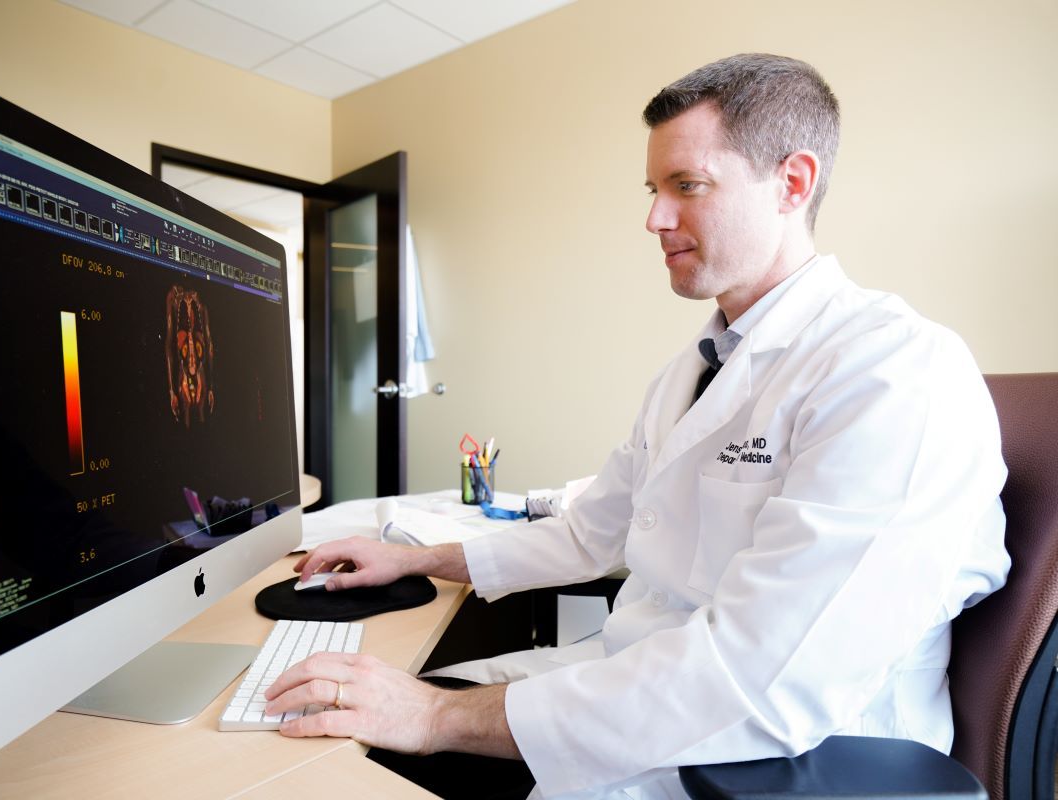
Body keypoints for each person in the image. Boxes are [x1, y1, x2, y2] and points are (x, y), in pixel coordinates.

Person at [263, 53, 1010, 800]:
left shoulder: (892, 371)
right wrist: (414, 561)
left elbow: (768, 678)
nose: (654, 218)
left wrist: (436, 718)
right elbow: (591, 531)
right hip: (636, 693)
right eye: (654, 190)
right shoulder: (695, 367)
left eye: (687, 186)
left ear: (792, 183)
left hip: (763, 761)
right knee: (331, 730)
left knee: (367, 750)